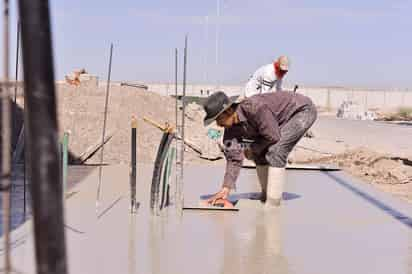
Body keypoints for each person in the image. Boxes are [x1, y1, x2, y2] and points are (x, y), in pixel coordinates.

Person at [202, 90, 317, 207]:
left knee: (276, 151)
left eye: (218, 119)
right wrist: (225, 189)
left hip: (301, 111)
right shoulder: (231, 130)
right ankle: (266, 194)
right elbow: (233, 159)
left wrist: (252, 148)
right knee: (258, 152)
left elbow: (273, 136)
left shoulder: (255, 108)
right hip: (278, 121)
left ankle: (273, 202)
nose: (217, 124)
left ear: (229, 110)